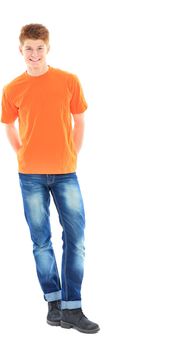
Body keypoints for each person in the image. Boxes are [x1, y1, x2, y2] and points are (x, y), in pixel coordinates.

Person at [1, 23, 100, 334]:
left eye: (39, 48)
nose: (34, 54)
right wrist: (21, 153)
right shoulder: (12, 88)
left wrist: (73, 153)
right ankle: (54, 304)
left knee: (76, 240)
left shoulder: (68, 81)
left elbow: (79, 120)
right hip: (29, 175)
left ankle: (73, 307)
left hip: (65, 171)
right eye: (28, 48)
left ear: (48, 48)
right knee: (41, 241)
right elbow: (9, 126)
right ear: (20, 50)